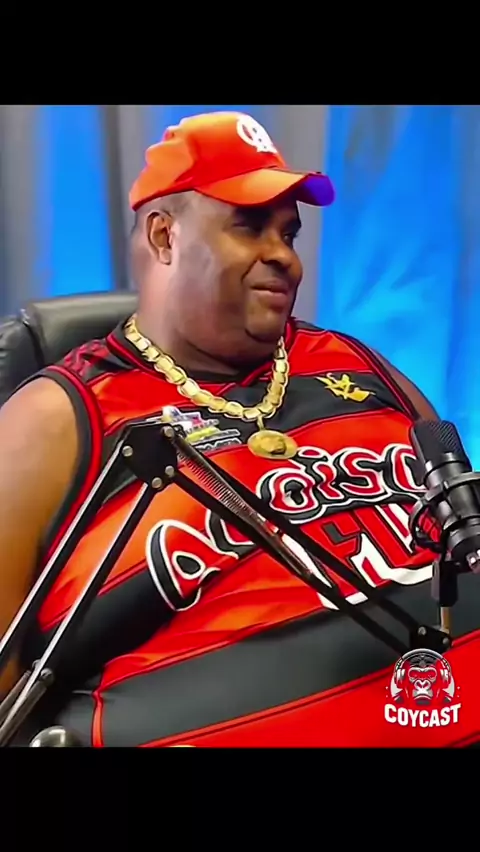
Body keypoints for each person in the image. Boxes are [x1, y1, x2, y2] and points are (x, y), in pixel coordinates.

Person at [0, 111, 477, 747]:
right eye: (250, 227)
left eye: (289, 233)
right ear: (165, 236)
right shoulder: (58, 419)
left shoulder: (360, 365)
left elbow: (464, 523)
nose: (284, 257)